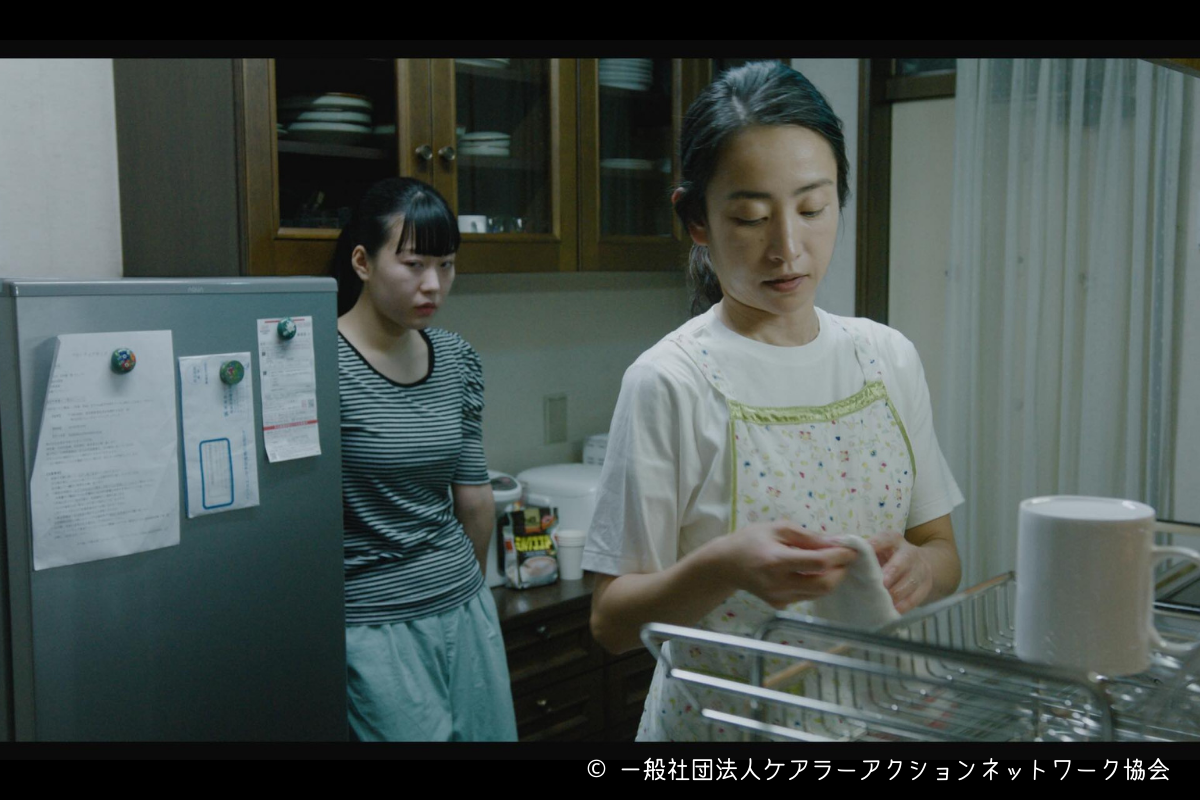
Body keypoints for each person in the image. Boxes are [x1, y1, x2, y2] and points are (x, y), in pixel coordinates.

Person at [582, 62, 964, 741]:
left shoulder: (886, 359)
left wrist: (919, 571)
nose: (788, 248)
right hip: (723, 734)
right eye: (751, 217)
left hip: (872, 723)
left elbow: (943, 552)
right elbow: (611, 622)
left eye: (813, 209)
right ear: (697, 220)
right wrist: (722, 566)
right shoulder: (671, 381)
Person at [332, 177, 517, 741]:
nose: (433, 284)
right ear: (362, 262)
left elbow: (474, 495)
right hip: (374, 625)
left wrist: (471, 590)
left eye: (446, 265)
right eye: (413, 264)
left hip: (464, 605)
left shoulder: (455, 357)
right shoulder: (319, 362)